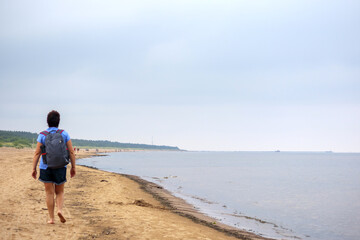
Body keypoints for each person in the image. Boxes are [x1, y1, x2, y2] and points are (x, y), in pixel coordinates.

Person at [32, 110, 76, 224]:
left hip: (45, 167)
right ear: (58, 121)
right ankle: (60, 210)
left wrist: (34, 169)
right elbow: (71, 152)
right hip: (61, 166)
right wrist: (73, 167)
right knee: (60, 192)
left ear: (47, 122)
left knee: (49, 193)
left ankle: (51, 219)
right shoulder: (64, 134)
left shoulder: (42, 135)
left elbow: (37, 153)